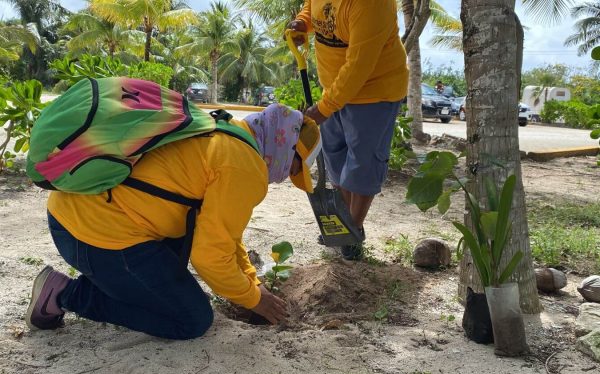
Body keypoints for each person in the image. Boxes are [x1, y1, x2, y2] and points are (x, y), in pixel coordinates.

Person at [25, 103, 322, 340]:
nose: (285, 176)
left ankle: (121, 283)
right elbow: (209, 257)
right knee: (191, 319)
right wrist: (253, 299)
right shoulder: (246, 167)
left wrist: (251, 280)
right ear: (286, 146)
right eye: (294, 168)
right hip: (92, 234)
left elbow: (225, 232)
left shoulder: (228, 129)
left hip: (77, 212)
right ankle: (65, 294)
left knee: (180, 266)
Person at [288, 0, 409, 261]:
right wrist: (303, 22)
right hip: (333, 87)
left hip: (374, 92)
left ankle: (352, 231)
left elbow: (358, 66)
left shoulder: (373, 4)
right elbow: (313, 5)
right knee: (336, 157)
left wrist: (324, 108)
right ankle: (345, 224)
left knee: (363, 163)